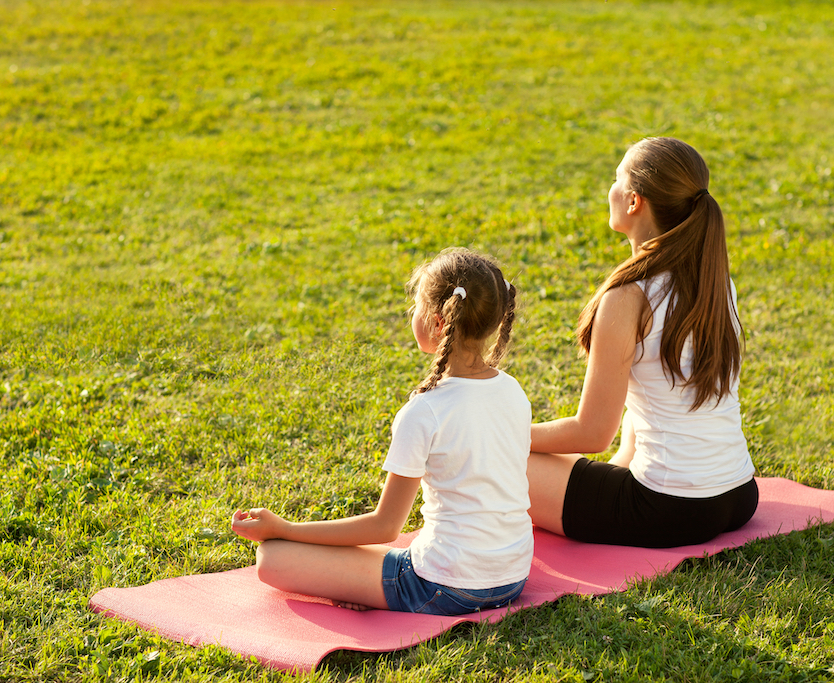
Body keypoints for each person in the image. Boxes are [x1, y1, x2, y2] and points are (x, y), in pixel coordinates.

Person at [231, 248, 533, 614]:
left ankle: (366, 587)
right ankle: (364, 580)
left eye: (417, 306)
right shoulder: (513, 390)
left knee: (272, 556)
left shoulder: (424, 411)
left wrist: (286, 528)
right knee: (363, 556)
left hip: (444, 587)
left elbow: (385, 527)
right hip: (512, 578)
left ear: (439, 323)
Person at [527, 137, 758, 548]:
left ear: (633, 201)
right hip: (739, 495)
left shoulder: (628, 298)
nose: (610, 189)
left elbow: (592, 433)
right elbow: (652, 391)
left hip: (668, 509)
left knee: (499, 460)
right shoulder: (714, 282)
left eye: (617, 179)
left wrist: (501, 434)